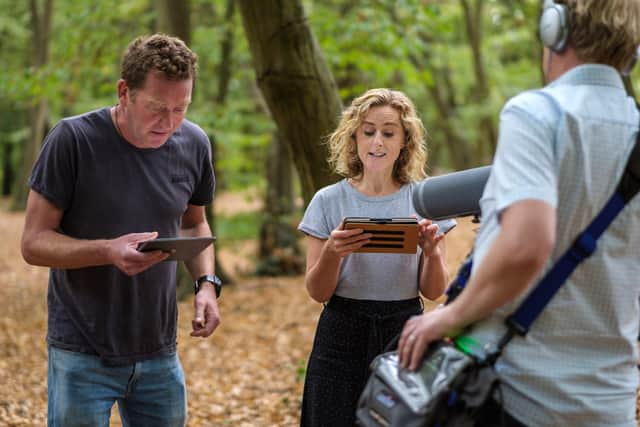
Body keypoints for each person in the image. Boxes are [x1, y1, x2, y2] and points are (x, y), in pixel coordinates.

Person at [398, 1, 640, 426]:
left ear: (554, 30)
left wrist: (449, 317)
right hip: (610, 402)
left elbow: (527, 246)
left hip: (518, 396)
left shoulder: (538, 113)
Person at [20, 33, 222, 426]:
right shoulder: (73, 140)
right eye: (157, 108)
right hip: (82, 350)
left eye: (181, 108)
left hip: (159, 352)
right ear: (124, 91)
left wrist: (207, 286)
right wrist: (107, 251)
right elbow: (33, 243)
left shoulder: (194, 142)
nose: (169, 123)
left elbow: (194, 222)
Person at [298, 88, 455, 426]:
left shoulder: (427, 199)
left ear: (405, 141)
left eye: (388, 132)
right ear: (354, 136)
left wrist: (432, 254)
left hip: (404, 328)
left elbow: (433, 291)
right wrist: (331, 254)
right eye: (368, 131)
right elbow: (317, 292)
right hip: (341, 330)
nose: (377, 142)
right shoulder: (327, 200)